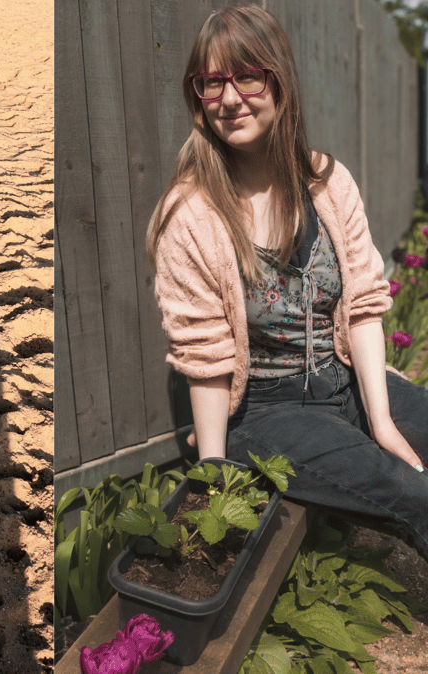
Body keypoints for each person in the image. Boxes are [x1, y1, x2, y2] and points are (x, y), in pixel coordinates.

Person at [150, 6, 428, 558]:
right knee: (412, 494)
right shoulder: (190, 215)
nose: (230, 98)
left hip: (343, 378)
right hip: (265, 410)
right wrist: (212, 473)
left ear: (279, 82)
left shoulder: (328, 183)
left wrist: (381, 421)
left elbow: (362, 307)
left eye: (247, 76)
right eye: (211, 82)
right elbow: (205, 356)